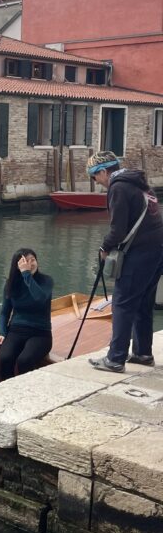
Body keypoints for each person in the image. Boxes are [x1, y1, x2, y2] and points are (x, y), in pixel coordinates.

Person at [85, 151, 163, 372]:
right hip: (157, 251)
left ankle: (115, 359)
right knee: (143, 304)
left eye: (94, 176)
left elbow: (118, 230)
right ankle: (143, 353)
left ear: (103, 171)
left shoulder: (118, 187)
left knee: (122, 303)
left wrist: (104, 247)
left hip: (138, 255)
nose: (95, 182)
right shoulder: (139, 183)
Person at [0, 248, 53, 379]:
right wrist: (2, 332)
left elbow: (39, 299)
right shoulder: (11, 284)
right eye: (25, 261)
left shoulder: (46, 281)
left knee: (24, 360)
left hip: (40, 333)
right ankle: (6, 390)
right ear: (17, 265)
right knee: (5, 357)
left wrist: (27, 274)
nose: (30, 264)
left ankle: (25, 393)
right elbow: (4, 312)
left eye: (33, 260)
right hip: (16, 330)